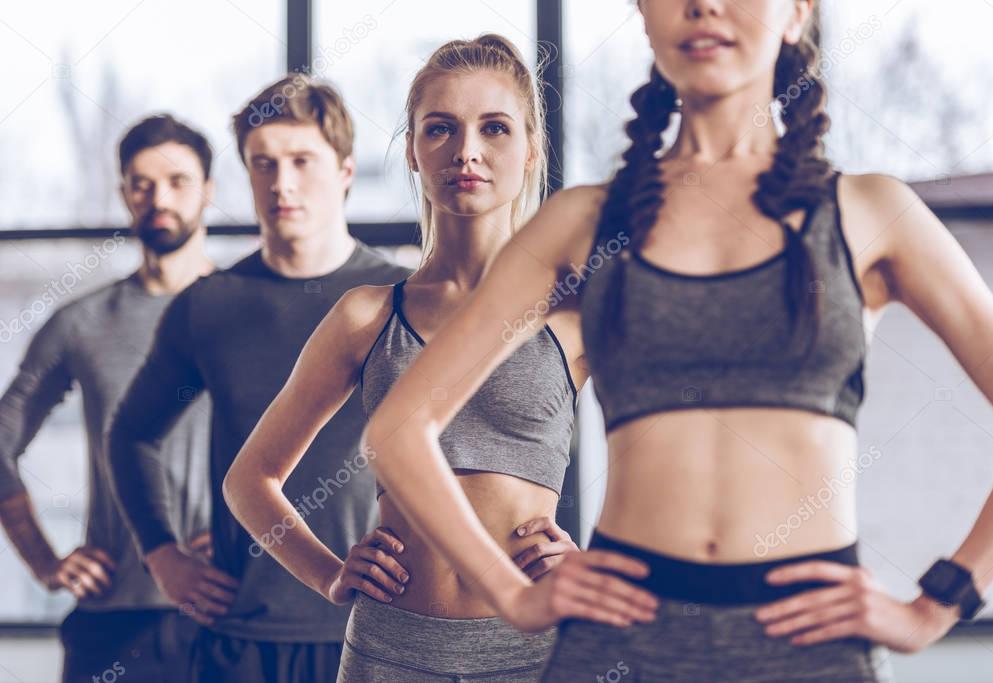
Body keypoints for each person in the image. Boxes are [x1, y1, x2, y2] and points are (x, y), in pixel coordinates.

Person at [361, 1, 993, 681]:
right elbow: (398, 429)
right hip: (619, 645)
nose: (704, 5)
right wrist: (513, 596)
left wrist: (938, 602)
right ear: (645, 15)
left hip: (810, 646)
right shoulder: (581, 224)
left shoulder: (871, 213)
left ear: (796, 14)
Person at [224, 34, 585, 682]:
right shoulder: (367, 315)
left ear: (531, 149)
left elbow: (682, 450)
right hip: (389, 649)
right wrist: (330, 573)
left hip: (535, 649)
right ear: (414, 152)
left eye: (494, 128)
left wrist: (603, 558)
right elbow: (248, 481)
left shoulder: (573, 312)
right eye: (440, 128)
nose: (466, 151)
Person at [107, 75, 411, 683]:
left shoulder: (403, 298)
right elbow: (133, 435)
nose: (282, 183)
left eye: (302, 161)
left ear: (346, 171)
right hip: (242, 635)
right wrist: (162, 553)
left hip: (380, 626)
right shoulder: (210, 305)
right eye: (263, 164)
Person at [0, 114, 215, 683]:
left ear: (208, 192)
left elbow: (325, 444)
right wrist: (43, 560)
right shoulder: (83, 322)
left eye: (176, 181)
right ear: (124, 194)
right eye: (141, 183)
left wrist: (253, 540)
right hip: (115, 618)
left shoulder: (249, 313)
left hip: (228, 610)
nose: (158, 198)